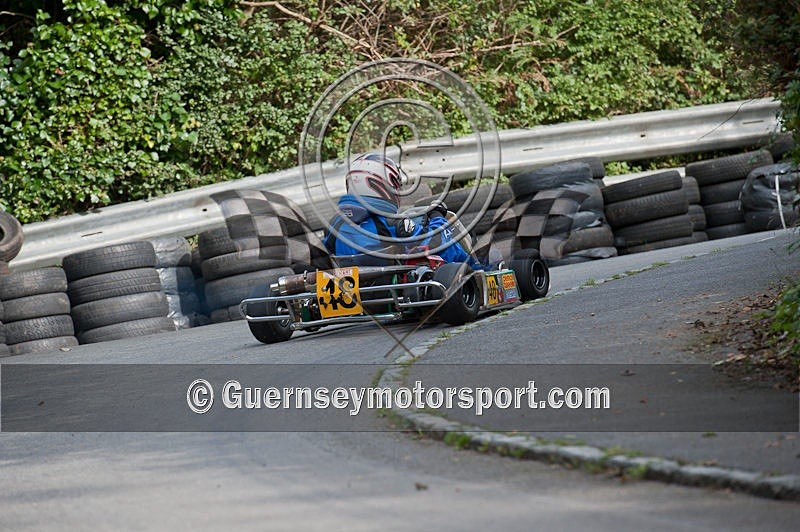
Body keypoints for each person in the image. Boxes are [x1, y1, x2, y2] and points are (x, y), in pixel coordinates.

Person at [323, 153, 481, 269]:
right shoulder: (392, 222)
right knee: (447, 232)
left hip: (353, 293)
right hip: (392, 292)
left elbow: (324, 258)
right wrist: (437, 217)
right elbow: (437, 244)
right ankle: (479, 270)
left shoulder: (334, 225)